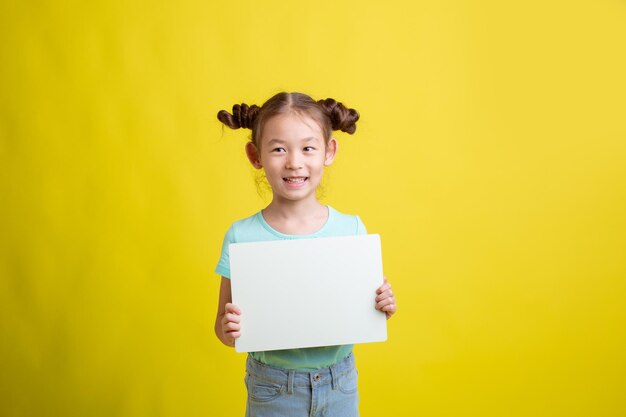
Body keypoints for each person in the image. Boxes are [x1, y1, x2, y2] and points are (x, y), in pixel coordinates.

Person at [214, 92, 397, 416]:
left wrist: (383, 304)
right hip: (272, 387)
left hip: (338, 382)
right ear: (255, 155)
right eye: (279, 149)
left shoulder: (351, 229)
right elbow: (223, 329)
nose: (294, 162)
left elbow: (368, 309)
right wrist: (229, 330)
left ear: (329, 151)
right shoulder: (241, 236)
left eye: (308, 148)